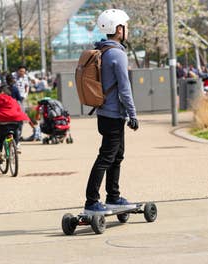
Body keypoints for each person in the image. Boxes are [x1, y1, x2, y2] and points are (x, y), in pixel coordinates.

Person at [83, 9, 139, 215]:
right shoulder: (117, 54)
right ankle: (91, 201)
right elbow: (125, 89)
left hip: (104, 113)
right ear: (118, 29)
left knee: (116, 155)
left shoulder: (104, 50)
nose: (128, 30)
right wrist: (133, 114)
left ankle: (113, 196)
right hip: (114, 115)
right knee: (107, 157)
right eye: (126, 26)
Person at [0, 84, 29, 166]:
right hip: (15, 121)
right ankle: (16, 145)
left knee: (0, 138)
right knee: (16, 132)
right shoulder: (13, 100)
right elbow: (18, 110)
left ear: (1, 92)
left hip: (3, 123)